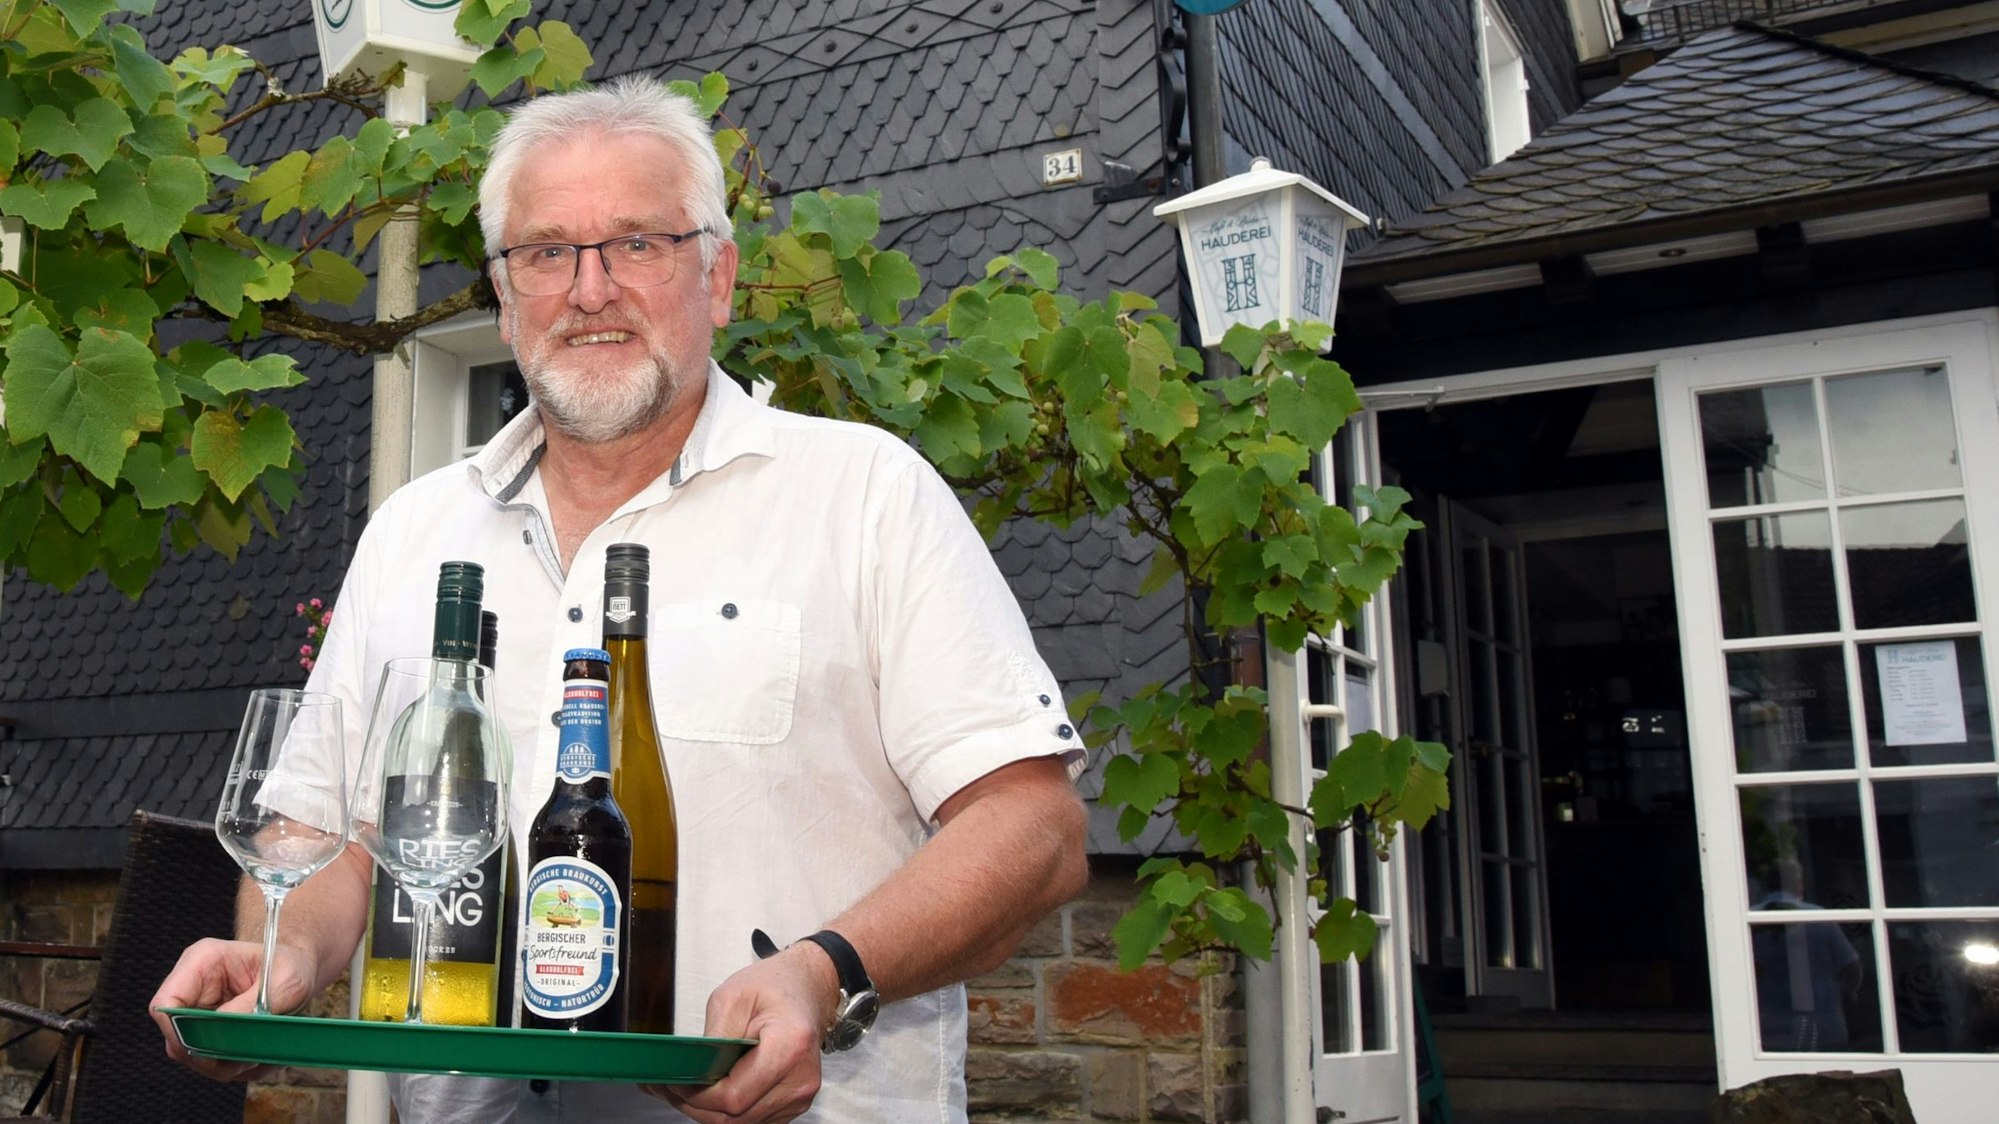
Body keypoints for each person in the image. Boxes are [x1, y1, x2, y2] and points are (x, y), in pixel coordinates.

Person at [150, 75, 1090, 1123]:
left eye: (638, 242)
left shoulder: (864, 494)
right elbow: (328, 834)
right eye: (547, 251)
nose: (590, 288)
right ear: (505, 297)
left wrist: (823, 972)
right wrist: (277, 955)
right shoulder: (413, 534)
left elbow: (1032, 825)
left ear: (718, 276)